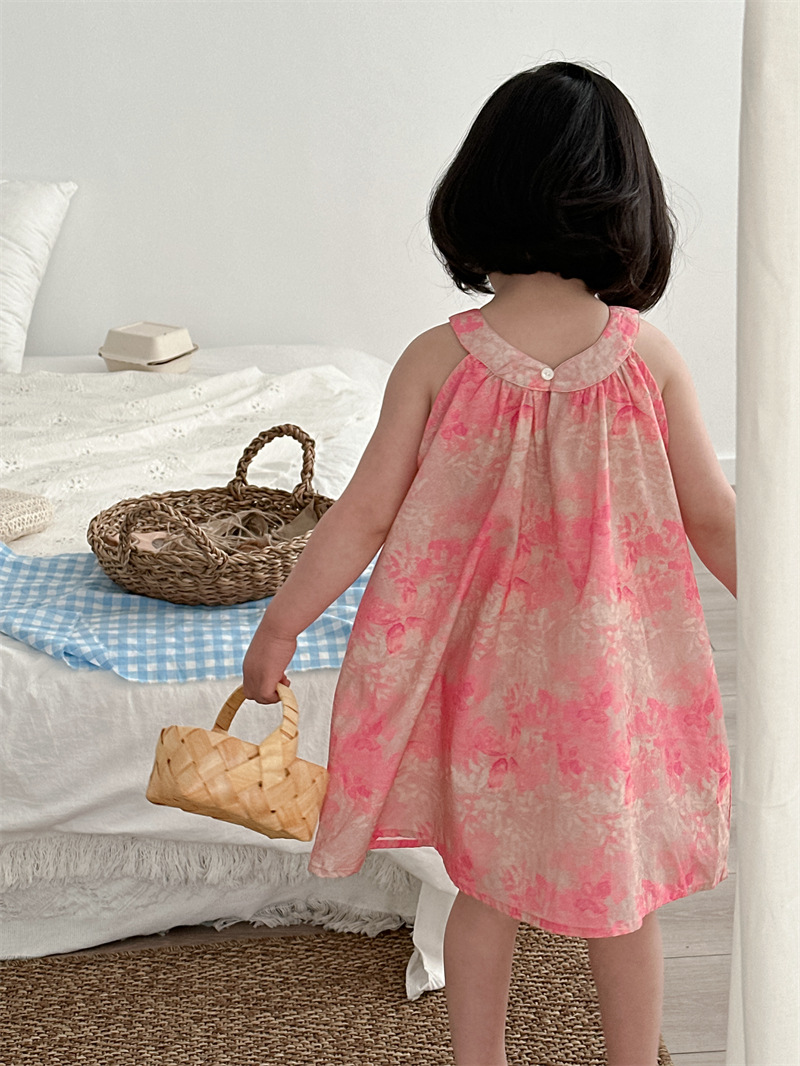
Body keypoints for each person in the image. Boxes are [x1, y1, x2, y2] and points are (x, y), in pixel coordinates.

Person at [242, 60, 736, 1066]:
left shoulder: (440, 358)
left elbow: (361, 516)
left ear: (475, 195)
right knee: (622, 901)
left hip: (484, 686)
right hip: (609, 685)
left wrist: (281, 623)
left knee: (484, 887)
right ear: (629, 206)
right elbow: (713, 519)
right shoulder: (647, 360)